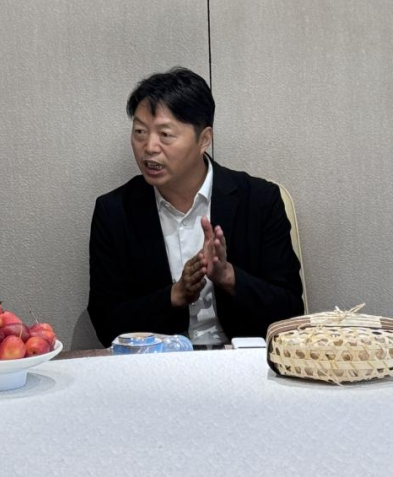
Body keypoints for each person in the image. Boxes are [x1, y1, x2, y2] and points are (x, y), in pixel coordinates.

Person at [88, 67, 304, 348]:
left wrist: (228, 276)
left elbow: (290, 310)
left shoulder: (260, 200)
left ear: (204, 139)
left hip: (242, 359)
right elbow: (106, 322)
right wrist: (175, 295)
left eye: (165, 134)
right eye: (140, 132)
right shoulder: (114, 211)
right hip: (156, 362)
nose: (149, 147)